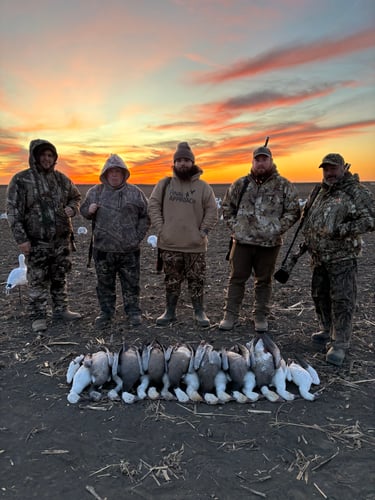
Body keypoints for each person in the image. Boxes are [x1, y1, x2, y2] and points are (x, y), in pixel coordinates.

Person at [302, 153, 375, 366]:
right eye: (326, 169)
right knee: (319, 296)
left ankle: (340, 343)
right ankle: (326, 330)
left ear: (344, 168)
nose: (330, 173)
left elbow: (371, 220)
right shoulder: (320, 191)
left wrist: (342, 230)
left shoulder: (357, 192)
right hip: (319, 258)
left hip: (343, 257)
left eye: (334, 168)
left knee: (342, 300)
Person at [219, 145, 300, 332]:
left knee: (264, 280)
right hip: (242, 243)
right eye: (257, 159)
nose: (261, 163)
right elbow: (227, 207)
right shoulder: (240, 184)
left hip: (269, 244)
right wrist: (237, 228)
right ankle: (230, 315)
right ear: (252, 162)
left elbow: (294, 211)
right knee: (236, 278)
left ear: (271, 161)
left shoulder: (283, 185)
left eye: (264, 159)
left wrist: (277, 229)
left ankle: (260, 316)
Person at [6, 139, 82, 333]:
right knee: (37, 278)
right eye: (43, 155)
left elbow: (76, 196)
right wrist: (21, 239)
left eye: (50, 155)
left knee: (59, 276)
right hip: (36, 241)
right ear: (34, 157)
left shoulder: (61, 179)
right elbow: (13, 211)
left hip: (61, 240)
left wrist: (72, 209)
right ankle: (38, 316)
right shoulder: (21, 180)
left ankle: (61, 310)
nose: (47, 159)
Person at [148, 142, 218, 327]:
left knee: (197, 280)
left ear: (192, 162)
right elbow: (153, 205)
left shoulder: (203, 187)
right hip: (169, 244)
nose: (183, 164)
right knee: (171, 280)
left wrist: (202, 232)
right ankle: (169, 311)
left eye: (186, 160)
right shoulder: (164, 184)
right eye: (179, 160)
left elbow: (212, 210)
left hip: (195, 245)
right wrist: (161, 229)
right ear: (174, 163)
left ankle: (199, 312)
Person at [80, 154, 149, 328]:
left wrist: (136, 237)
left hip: (129, 250)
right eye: (111, 172)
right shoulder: (95, 192)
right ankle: (106, 313)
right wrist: (89, 210)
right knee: (104, 284)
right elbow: (83, 211)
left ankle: (133, 312)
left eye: (118, 171)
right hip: (103, 249)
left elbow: (146, 216)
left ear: (124, 173)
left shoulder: (135, 193)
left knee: (131, 284)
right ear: (105, 173)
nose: (114, 175)